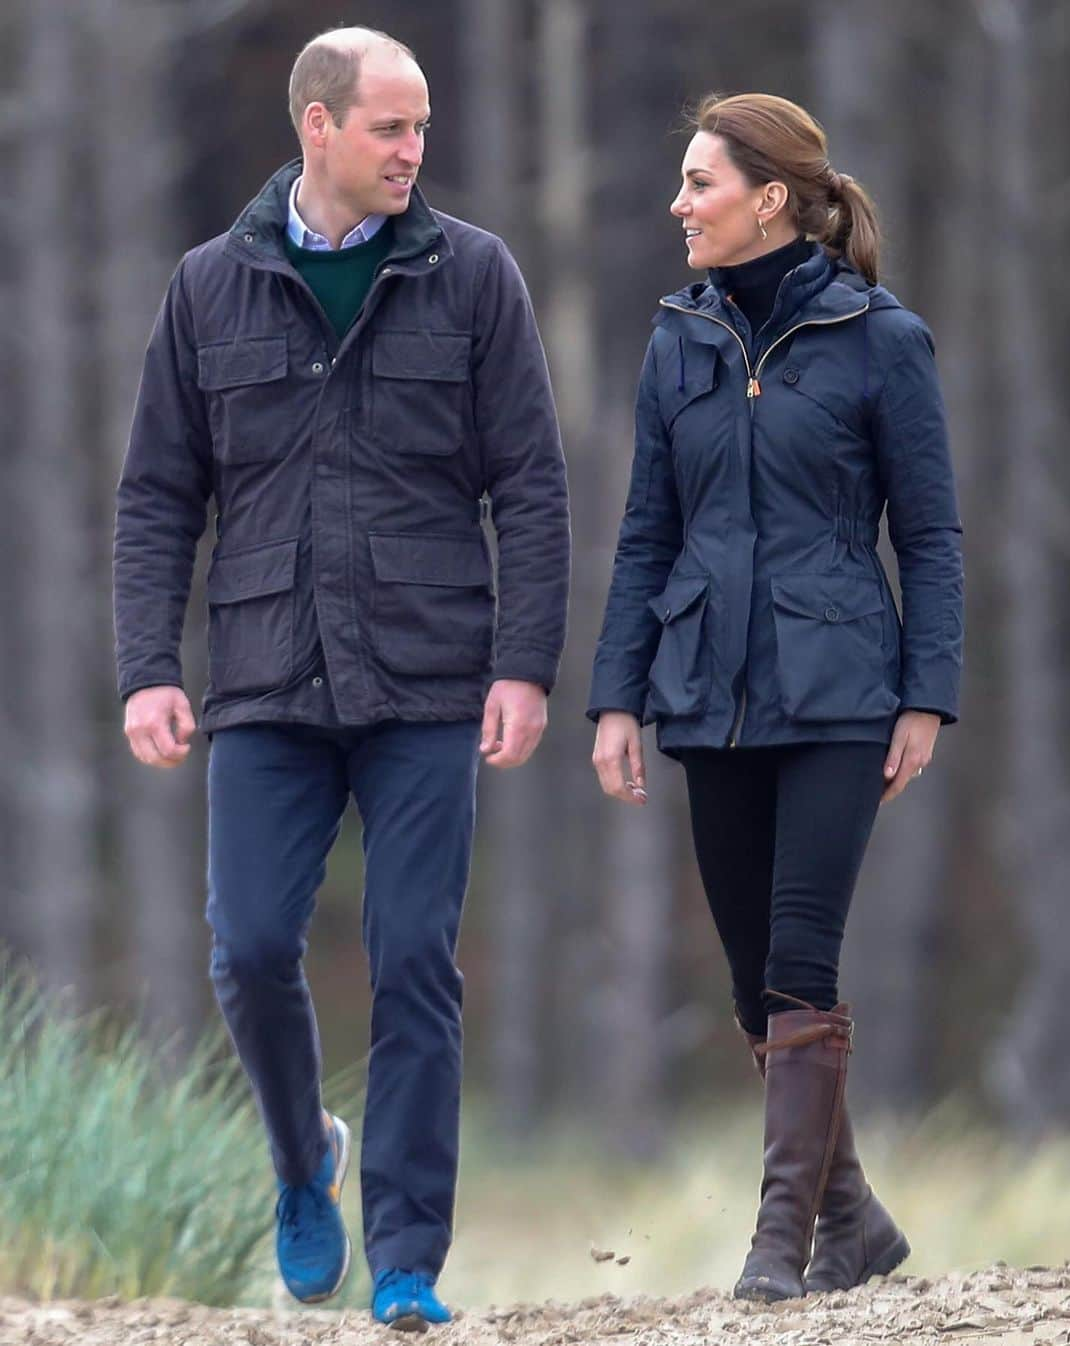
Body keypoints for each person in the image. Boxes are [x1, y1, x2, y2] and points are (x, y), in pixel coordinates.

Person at [113, 26, 569, 1326]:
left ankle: (409, 1255)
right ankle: (305, 1157)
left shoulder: (474, 276)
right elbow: (158, 495)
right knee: (249, 947)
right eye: (391, 128)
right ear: (318, 127)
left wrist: (524, 664)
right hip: (263, 673)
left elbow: (530, 484)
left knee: (415, 954)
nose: (416, 150)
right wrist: (150, 665)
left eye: (422, 128)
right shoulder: (209, 286)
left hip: (430, 674)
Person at [588, 93, 962, 1302]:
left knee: (802, 956)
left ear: (772, 199)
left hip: (844, 690)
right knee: (756, 978)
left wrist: (928, 693)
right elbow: (646, 534)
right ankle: (852, 1219)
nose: (679, 204)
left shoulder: (881, 338)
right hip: (709, 690)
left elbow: (935, 535)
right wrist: (617, 698)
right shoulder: (674, 341)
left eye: (700, 183)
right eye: (683, 181)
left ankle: (778, 1243)